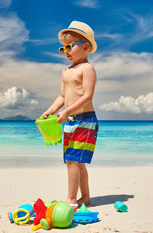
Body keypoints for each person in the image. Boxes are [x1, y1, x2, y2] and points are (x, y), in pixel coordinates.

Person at [40, 21, 99, 209]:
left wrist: (66, 111)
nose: (66, 51)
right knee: (74, 161)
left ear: (86, 47)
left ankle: (71, 199)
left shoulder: (87, 69)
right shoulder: (66, 71)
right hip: (70, 120)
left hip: (85, 120)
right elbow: (62, 96)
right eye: (63, 48)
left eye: (70, 46)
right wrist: (51, 111)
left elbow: (87, 96)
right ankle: (86, 198)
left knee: (74, 160)